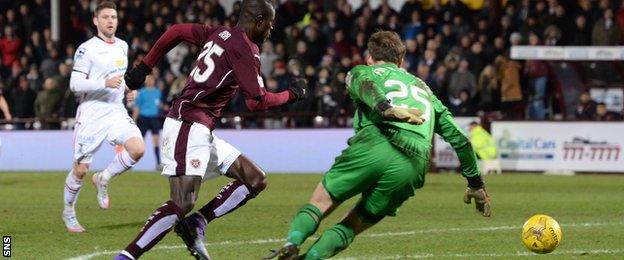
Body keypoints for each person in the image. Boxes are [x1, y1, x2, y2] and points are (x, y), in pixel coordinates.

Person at [265, 31, 491, 260]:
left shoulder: (362, 71)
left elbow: (366, 85)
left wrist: (385, 107)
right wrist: (475, 184)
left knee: (321, 203)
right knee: (352, 225)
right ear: (401, 62)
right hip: (413, 164)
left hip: (376, 143)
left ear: (370, 57)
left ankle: (292, 241)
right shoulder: (424, 90)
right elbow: (461, 140)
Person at [116, 0, 309, 259]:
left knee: (255, 179)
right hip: (188, 122)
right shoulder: (246, 49)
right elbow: (257, 101)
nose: (271, 30)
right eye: (270, 24)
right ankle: (127, 256)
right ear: (259, 20)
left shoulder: (220, 33)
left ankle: (197, 223)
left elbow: (175, 31)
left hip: (201, 128)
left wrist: (144, 67)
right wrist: (293, 94)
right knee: (182, 201)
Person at [62, 1, 145, 233]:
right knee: (80, 170)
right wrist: (103, 83)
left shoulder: (123, 46)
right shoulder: (86, 49)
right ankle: (68, 212)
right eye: (106, 17)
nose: (110, 21)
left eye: (114, 17)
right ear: (96, 21)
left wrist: (129, 89)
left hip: (116, 111)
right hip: (92, 114)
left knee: (138, 149)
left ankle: (104, 178)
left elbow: (121, 77)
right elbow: (75, 83)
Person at [133, 75, 163, 169]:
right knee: (140, 143)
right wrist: (134, 119)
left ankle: (158, 163)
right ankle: (130, 162)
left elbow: (159, 105)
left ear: (154, 81)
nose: (149, 81)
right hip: (143, 118)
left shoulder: (158, 92)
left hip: (154, 118)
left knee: (156, 141)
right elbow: (137, 107)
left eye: (151, 79)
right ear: (145, 81)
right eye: (148, 80)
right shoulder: (142, 92)